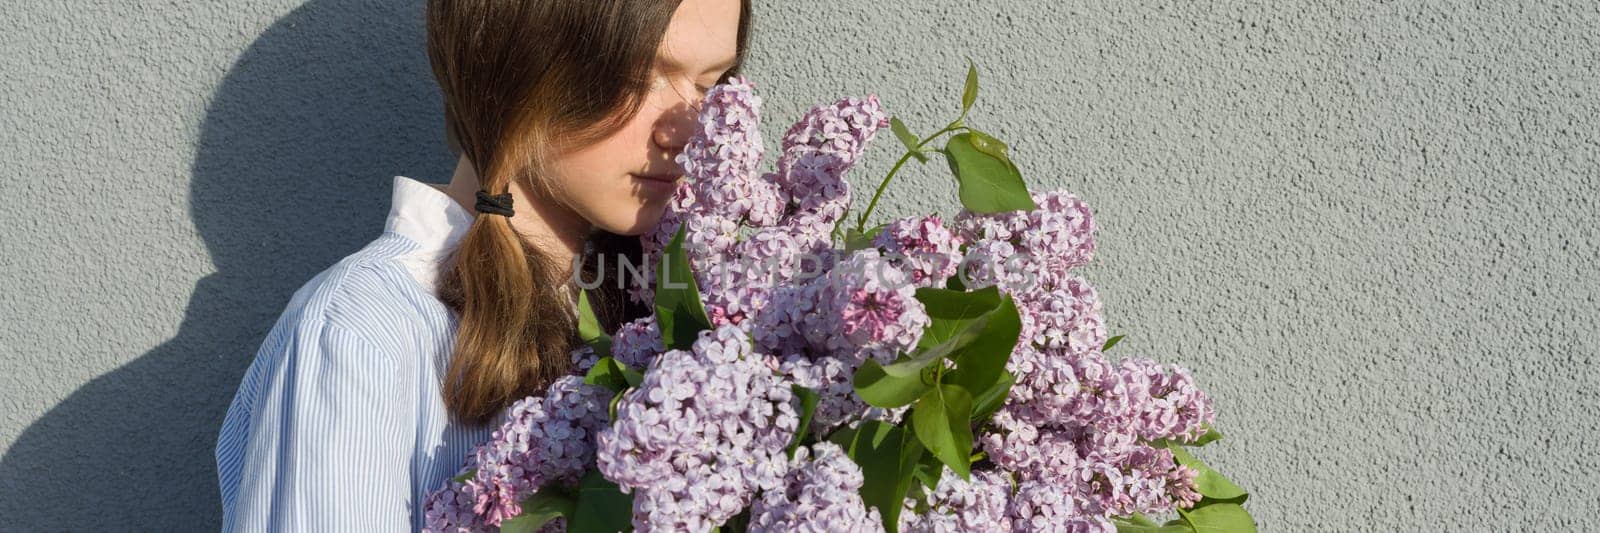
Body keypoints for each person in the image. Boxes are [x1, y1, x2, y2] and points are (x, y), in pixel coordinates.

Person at [213, 0, 751, 529]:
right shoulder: (364, 335)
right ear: (520, 64)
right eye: (638, 77)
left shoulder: (674, 311)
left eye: (710, 85)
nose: (685, 133)